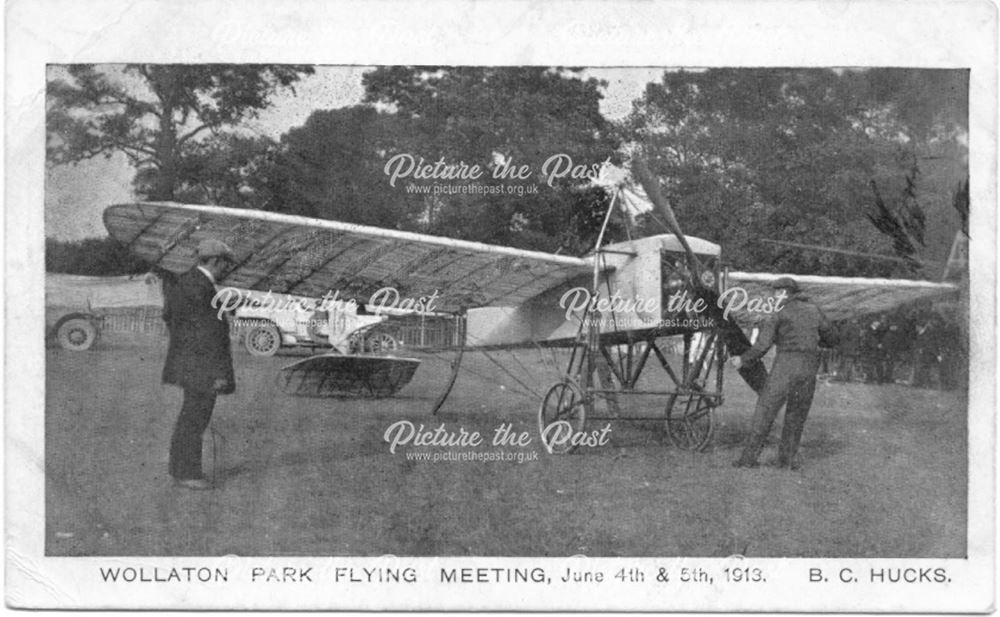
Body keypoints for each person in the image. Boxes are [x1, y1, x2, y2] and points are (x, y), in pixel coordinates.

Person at [729, 277, 838, 469]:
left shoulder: (778, 312)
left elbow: (763, 345)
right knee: (796, 416)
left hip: (785, 367)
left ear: (782, 293)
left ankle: (748, 460)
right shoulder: (815, 310)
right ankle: (786, 462)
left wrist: (743, 360)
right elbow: (832, 338)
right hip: (808, 369)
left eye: (775, 293)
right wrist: (813, 344)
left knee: (765, 411)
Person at [162, 239, 237, 490]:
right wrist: (217, 373)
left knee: (190, 417)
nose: (227, 269)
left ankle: (181, 470)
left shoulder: (183, 282)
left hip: (188, 362)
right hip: (202, 366)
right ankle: (187, 473)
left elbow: (168, 317)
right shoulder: (202, 287)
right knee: (195, 419)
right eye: (226, 264)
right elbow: (210, 335)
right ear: (216, 261)